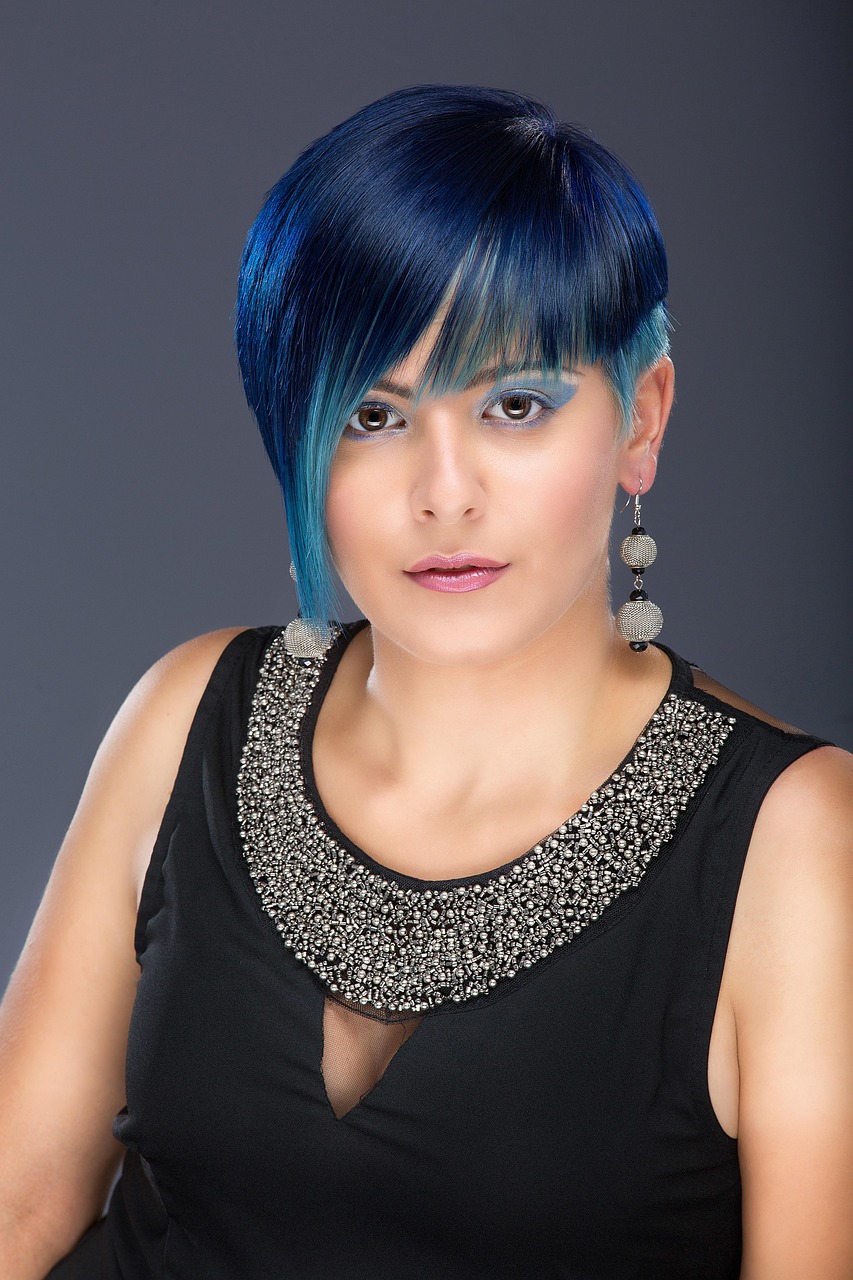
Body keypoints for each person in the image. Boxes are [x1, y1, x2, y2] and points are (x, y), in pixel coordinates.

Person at [1, 83, 851, 1280]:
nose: (444, 494)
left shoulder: (798, 842)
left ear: (640, 421)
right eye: (371, 414)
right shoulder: (190, 712)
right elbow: (19, 1200)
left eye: (515, 404)